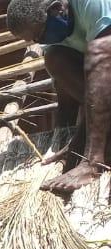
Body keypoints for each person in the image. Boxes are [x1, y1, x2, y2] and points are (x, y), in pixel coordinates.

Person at [6, 0, 111, 194]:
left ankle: (95, 163)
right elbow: (68, 92)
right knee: (55, 59)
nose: (40, 42)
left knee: (97, 52)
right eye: (35, 41)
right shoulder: (53, 36)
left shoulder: (91, 4)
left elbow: (103, 63)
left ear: (56, 8)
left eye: (39, 35)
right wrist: (68, 142)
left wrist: (89, 158)